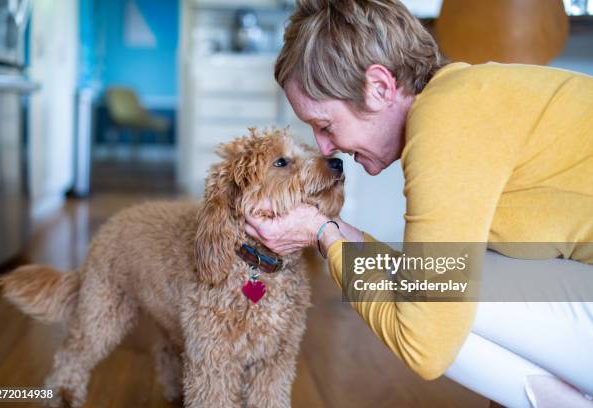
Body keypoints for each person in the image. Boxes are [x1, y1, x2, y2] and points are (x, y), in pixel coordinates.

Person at [243, 0, 593, 406]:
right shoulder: (467, 97)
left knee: (431, 293)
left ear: (379, 86)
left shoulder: (448, 119)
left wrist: (322, 233)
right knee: (431, 278)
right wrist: (330, 231)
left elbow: (423, 344)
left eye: (325, 125)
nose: (325, 146)